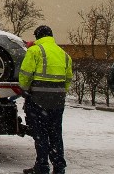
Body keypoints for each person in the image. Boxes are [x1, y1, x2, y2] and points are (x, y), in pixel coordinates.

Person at [19, 25, 73, 174]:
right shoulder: (63, 54)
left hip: (38, 100)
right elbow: (68, 78)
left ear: (38, 37)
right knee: (55, 134)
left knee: (41, 135)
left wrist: (24, 89)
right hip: (57, 101)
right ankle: (59, 167)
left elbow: (25, 73)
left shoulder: (35, 51)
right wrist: (59, 92)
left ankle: (42, 167)